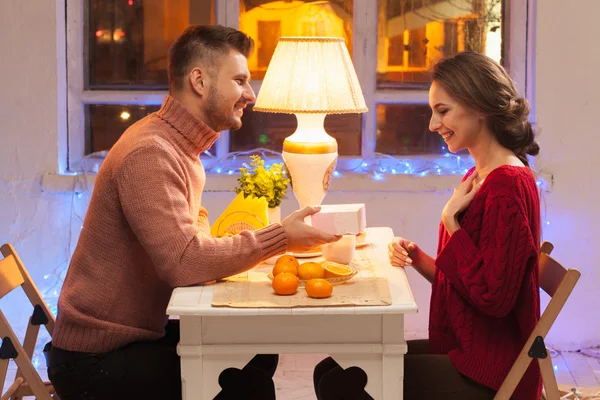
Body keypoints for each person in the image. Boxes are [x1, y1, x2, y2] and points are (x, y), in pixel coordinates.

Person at [44, 24, 340, 400]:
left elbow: (190, 236)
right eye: (240, 80)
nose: (249, 94)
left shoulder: (179, 147)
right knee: (247, 384)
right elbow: (183, 263)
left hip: (134, 336)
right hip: (96, 359)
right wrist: (279, 237)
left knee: (257, 346)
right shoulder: (150, 153)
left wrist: (217, 242)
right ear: (199, 81)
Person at [313, 51, 542, 400]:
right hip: (468, 351)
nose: (433, 125)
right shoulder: (480, 177)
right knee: (330, 369)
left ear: (479, 107)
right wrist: (418, 257)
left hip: (492, 372)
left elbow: (494, 299)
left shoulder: (506, 186)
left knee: (340, 381)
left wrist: (451, 221)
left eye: (443, 110)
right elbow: (474, 278)